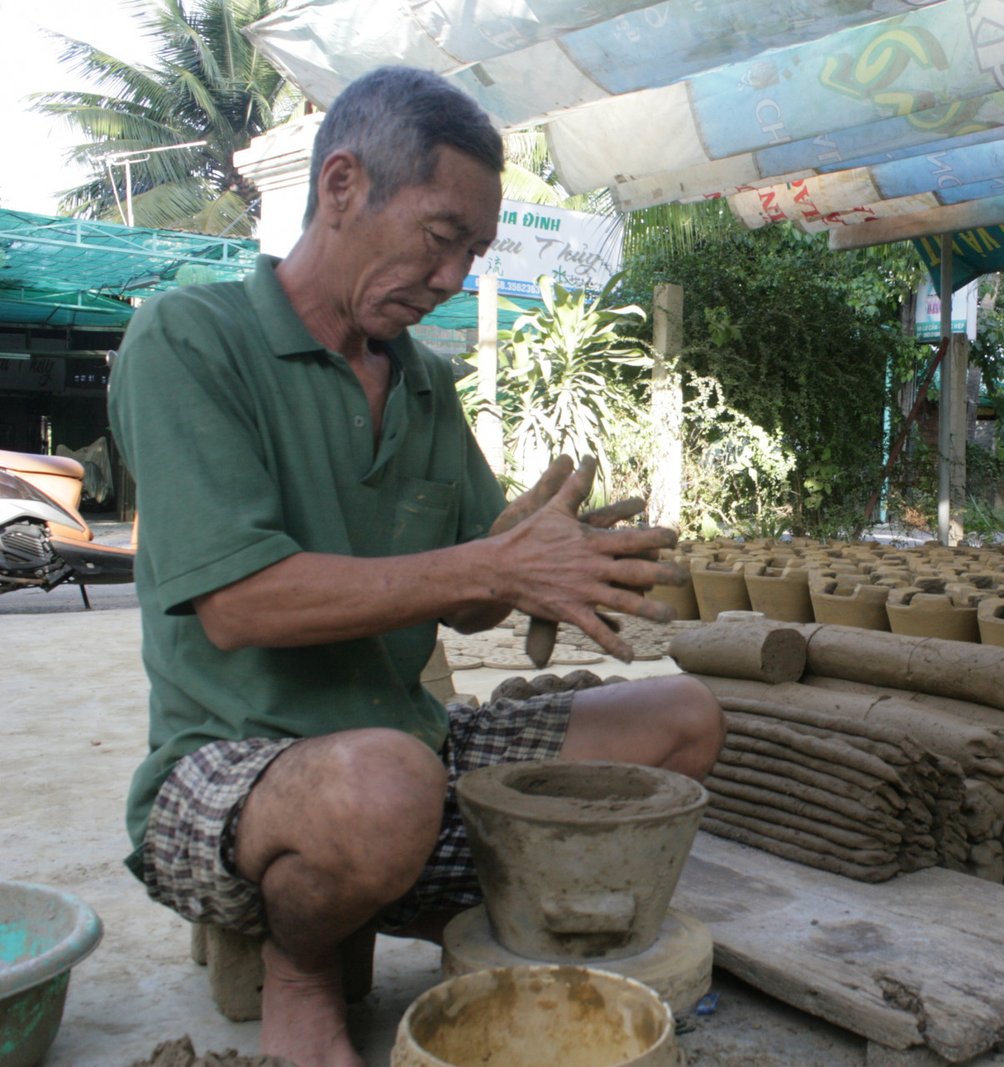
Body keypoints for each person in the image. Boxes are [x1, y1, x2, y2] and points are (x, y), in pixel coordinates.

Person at [108, 67, 724, 1067]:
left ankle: (490, 906)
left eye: (472, 254)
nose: (452, 278)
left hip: (421, 750)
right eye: (441, 237)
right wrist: (492, 563)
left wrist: (532, 554)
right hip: (232, 767)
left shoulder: (424, 380)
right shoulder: (190, 338)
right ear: (342, 186)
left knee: (681, 717)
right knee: (386, 788)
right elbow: (237, 602)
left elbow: (472, 602)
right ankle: (302, 963)